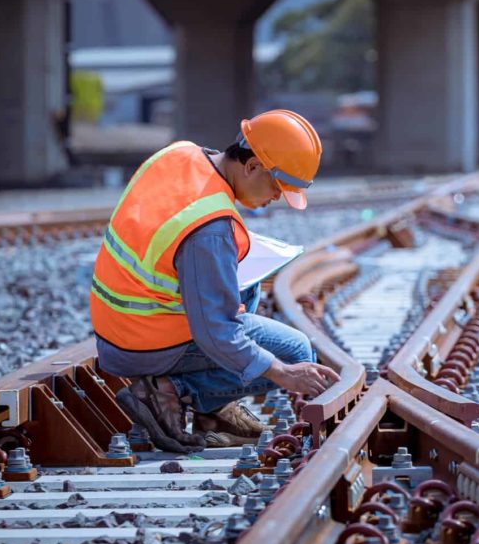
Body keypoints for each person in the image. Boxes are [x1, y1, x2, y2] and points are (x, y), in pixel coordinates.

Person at [90, 109, 340, 453]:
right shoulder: (210, 229)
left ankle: (212, 411)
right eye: (278, 186)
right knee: (296, 351)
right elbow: (216, 333)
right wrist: (282, 372)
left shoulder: (180, 153)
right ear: (251, 166)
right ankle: (169, 391)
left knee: (245, 281)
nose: (277, 198)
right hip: (143, 341)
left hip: (118, 322)